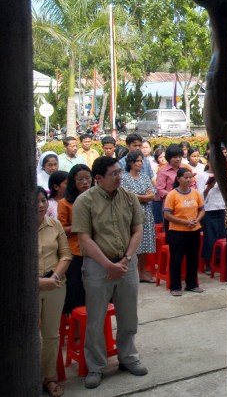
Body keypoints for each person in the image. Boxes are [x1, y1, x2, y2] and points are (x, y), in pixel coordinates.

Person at [72, 156, 148, 389]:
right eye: (113, 174)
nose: (119, 177)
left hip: (126, 263)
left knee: (129, 315)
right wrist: (108, 265)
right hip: (98, 266)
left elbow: (137, 229)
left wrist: (125, 259)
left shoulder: (128, 197)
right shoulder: (84, 202)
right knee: (96, 319)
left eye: (119, 172)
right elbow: (84, 238)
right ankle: (95, 366)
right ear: (98, 178)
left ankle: (128, 358)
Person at [36, 186, 72, 397]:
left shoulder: (54, 224)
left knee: (51, 335)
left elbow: (66, 255)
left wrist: (54, 278)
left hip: (55, 285)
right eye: (35, 201)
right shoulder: (15, 227)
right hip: (28, 289)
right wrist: (38, 282)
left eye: (43, 200)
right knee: (27, 336)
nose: (41, 205)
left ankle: (49, 377)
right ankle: (28, 376)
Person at [164, 167, 205, 296]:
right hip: (177, 232)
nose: (188, 180)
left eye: (190, 177)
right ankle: (175, 286)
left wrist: (196, 220)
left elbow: (202, 210)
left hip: (194, 230)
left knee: (193, 258)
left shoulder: (195, 193)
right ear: (178, 179)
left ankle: (192, 284)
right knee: (177, 259)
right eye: (185, 177)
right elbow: (167, 215)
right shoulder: (172, 195)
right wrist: (184, 222)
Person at [58, 164, 91, 315]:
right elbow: (62, 230)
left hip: (96, 250)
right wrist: (80, 225)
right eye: (80, 180)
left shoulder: (96, 198)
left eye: (87, 178)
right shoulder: (65, 203)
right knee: (76, 291)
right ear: (73, 182)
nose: (85, 182)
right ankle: (76, 329)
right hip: (76, 251)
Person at [121, 151, 157, 283]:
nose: (140, 163)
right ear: (130, 162)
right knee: (132, 245)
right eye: (138, 161)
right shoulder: (124, 178)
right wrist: (143, 196)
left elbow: (152, 195)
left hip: (146, 213)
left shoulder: (145, 177)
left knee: (145, 244)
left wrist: (138, 196)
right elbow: (127, 196)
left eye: (141, 161)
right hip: (131, 214)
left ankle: (142, 273)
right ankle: (132, 273)